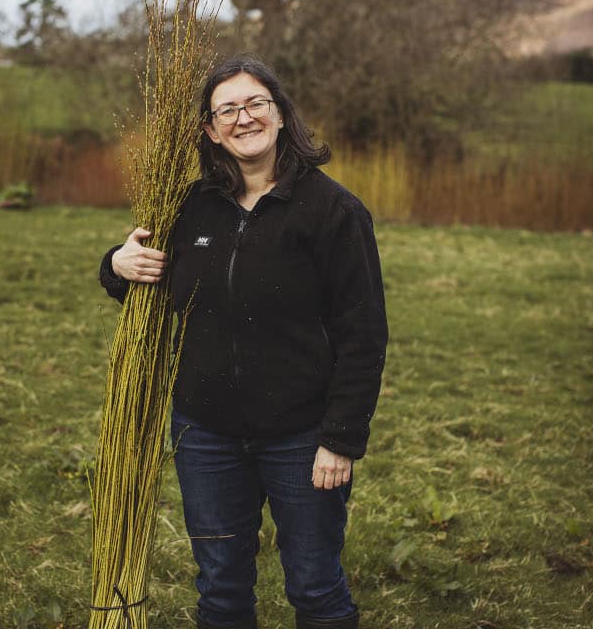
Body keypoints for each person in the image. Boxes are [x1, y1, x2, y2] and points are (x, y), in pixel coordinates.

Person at [99, 55, 388, 629]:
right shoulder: (188, 205)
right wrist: (115, 261)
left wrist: (341, 438)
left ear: (281, 115)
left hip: (302, 437)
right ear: (210, 129)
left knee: (315, 588)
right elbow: (136, 274)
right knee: (221, 591)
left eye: (256, 103)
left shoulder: (334, 212)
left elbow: (364, 334)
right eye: (226, 108)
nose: (243, 117)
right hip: (205, 435)